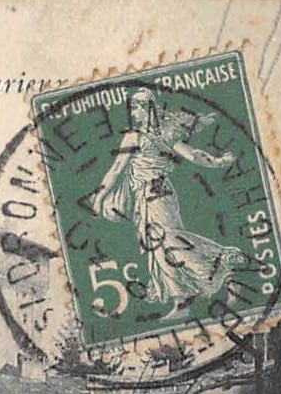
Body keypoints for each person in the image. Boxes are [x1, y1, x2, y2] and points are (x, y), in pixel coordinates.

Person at [91, 87, 243, 308]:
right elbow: (193, 155)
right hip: (153, 196)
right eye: (132, 108)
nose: (133, 113)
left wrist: (98, 198)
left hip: (155, 195)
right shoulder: (158, 133)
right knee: (159, 247)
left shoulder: (140, 136)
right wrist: (219, 161)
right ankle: (181, 299)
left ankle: (223, 263)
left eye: (136, 108)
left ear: (148, 109)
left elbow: (116, 170)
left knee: (169, 241)